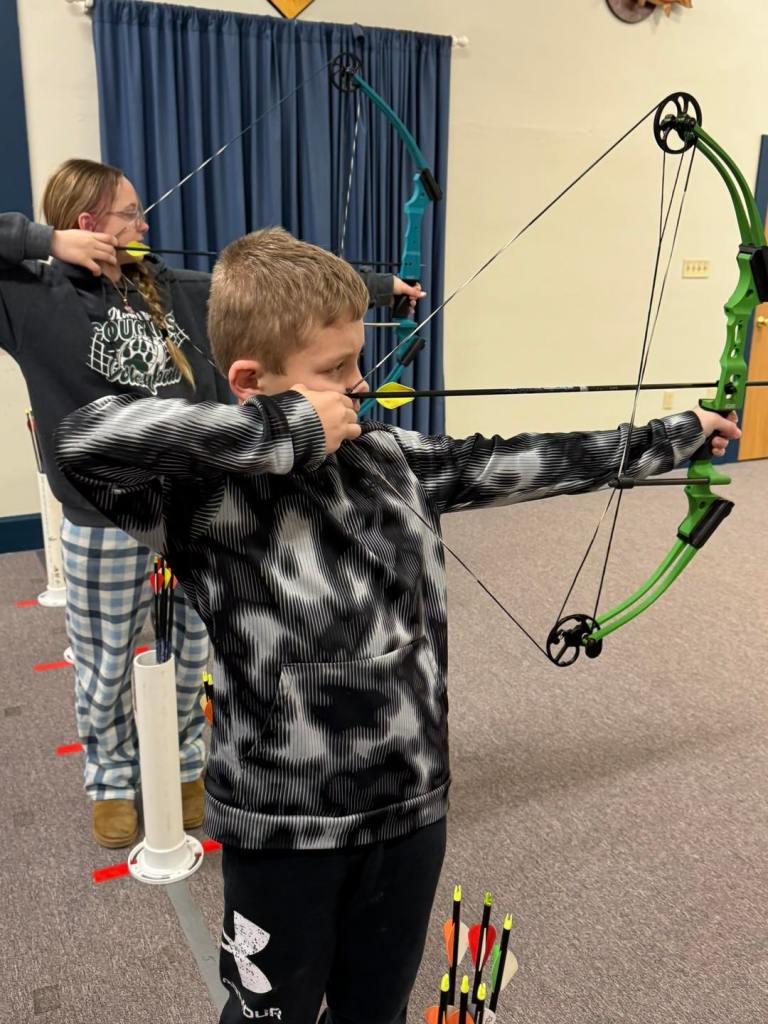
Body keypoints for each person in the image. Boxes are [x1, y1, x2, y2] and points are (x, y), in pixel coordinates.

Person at [54, 227, 739, 1022]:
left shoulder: (395, 457)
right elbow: (83, 442)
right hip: (284, 830)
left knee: (377, 1007)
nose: (359, 383)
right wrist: (282, 430)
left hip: (410, 808)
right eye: (333, 370)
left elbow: (529, 458)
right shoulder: (201, 495)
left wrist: (676, 435)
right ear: (250, 381)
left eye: (357, 360)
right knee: (270, 1012)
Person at [0, 161, 420, 850]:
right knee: (105, 662)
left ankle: (186, 766)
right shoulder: (30, 295)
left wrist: (381, 288)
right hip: (102, 522)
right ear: (88, 224)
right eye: (130, 213)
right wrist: (45, 242)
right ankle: (112, 781)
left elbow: (280, 292)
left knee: (195, 651)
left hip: (196, 510)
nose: (144, 224)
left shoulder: (167, 290)